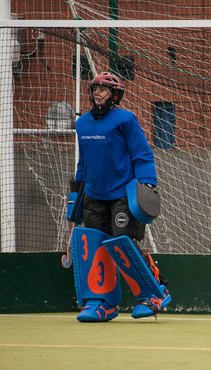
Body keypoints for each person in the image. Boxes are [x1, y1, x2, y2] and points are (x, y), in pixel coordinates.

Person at [68, 71, 170, 322]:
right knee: (95, 246)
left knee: (123, 242)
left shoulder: (125, 119)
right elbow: (84, 162)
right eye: (95, 89)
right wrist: (75, 193)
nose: (97, 94)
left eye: (103, 90)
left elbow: (141, 154)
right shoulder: (81, 124)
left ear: (115, 95)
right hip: (93, 194)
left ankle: (154, 292)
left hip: (122, 194)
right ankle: (102, 303)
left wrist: (147, 184)